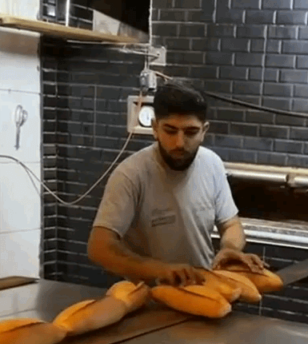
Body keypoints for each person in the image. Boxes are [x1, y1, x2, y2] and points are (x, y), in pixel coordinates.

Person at [88, 82, 263, 286]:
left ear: (204, 130)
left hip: (204, 292)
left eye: (190, 132)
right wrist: (160, 270)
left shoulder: (212, 164)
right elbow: (99, 247)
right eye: (170, 131)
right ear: (155, 128)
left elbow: (231, 224)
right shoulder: (131, 174)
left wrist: (230, 248)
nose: (180, 143)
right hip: (150, 298)